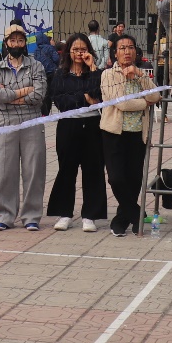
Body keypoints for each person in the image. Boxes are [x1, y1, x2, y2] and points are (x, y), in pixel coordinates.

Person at [0, 23, 48, 231]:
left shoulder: (36, 66)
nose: (16, 44)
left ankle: (31, 216)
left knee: (34, 170)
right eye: (12, 40)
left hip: (32, 120)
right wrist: (23, 92)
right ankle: (4, 216)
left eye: (20, 40)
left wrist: (10, 96)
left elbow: (39, 95)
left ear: (25, 43)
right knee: (5, 171)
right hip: (6, 122)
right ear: (6, 43)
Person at [47, 33, 105, 232]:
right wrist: (84, 98)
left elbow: (98, 95)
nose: (80, 53)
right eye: (76, 49)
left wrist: (93, 68)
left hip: (93, 125)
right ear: (68, 52)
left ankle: (90, 215)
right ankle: (65, 214)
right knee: (66, 170)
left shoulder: (97, 73)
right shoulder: (60, 74)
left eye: (83, 49)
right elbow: (61, 102)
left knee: (93, 170)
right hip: (68, 125)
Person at [100, 35, 154, 236]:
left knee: (134, 179)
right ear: (115, 53)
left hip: (138, 133)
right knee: (116, 178)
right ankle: (136, 214)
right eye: (122, 48)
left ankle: (121, 220)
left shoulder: (141, 74)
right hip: (114, 133)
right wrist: (144, 103)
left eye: (130, 47)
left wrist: (139, 75)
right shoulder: (108, 75)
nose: (127, 51)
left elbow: (156, 95)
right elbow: (121, 103)